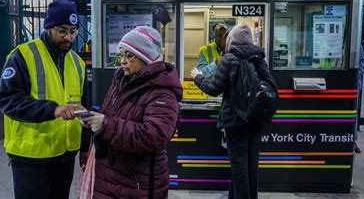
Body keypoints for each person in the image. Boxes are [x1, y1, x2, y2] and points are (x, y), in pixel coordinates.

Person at [0, 0, 90, 199]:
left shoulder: (77, 62)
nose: (68, 37)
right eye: (62, 30)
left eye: (73, 31)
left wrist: (84, 146)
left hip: (65, 153)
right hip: (31, 155)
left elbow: (83, 108)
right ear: (48, 27)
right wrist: (53, 109)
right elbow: (8, 101)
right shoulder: (22, 55)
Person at [82, 26, 182, 198]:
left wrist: (105, 125)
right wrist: (92, 120)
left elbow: (155, 136)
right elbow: (112, 115)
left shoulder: (162, 91)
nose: (122, 61)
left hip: (136, 184)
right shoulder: (121, 80)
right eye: (121, 55)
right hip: (111, 176)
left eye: (129, 56)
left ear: (146, 57)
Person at [191, 24, 273, 199]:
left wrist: (197, 77)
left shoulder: (229, 59)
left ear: (231, 41)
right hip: (256, 117)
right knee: (252, 162)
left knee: (239, 166)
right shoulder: (260, 58)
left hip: (235, 119)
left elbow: (213, 88)